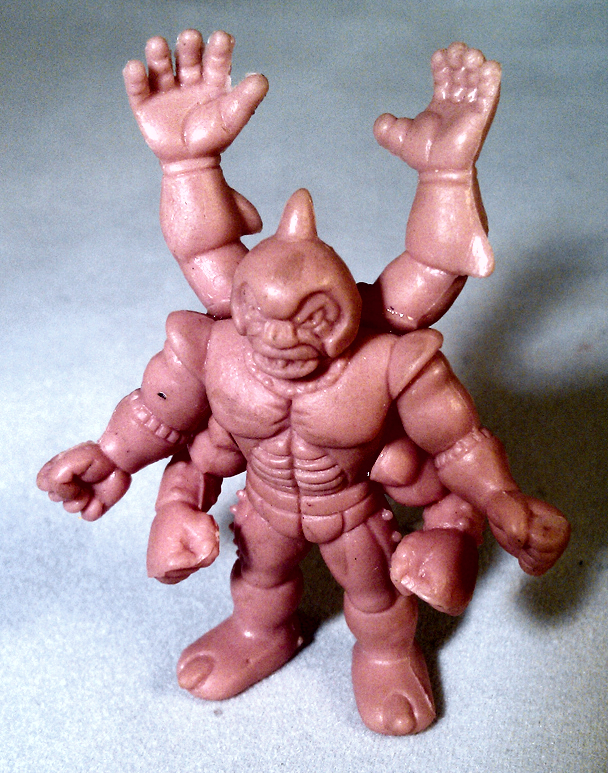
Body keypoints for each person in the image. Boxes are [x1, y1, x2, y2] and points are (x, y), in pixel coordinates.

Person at [38, 31, 569, 735]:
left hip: (350, 509)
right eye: (265, 317)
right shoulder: (214, 345)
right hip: (262, 505)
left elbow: (455, 434)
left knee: (374, 600)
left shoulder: (386, 359)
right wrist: (111, 457)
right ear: (241, 305)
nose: (285, 341)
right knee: (258, 582)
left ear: (343, 311)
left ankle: (386, 656)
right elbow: (158, 411)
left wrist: (500, 498)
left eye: (313, 318)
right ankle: (260, 634)